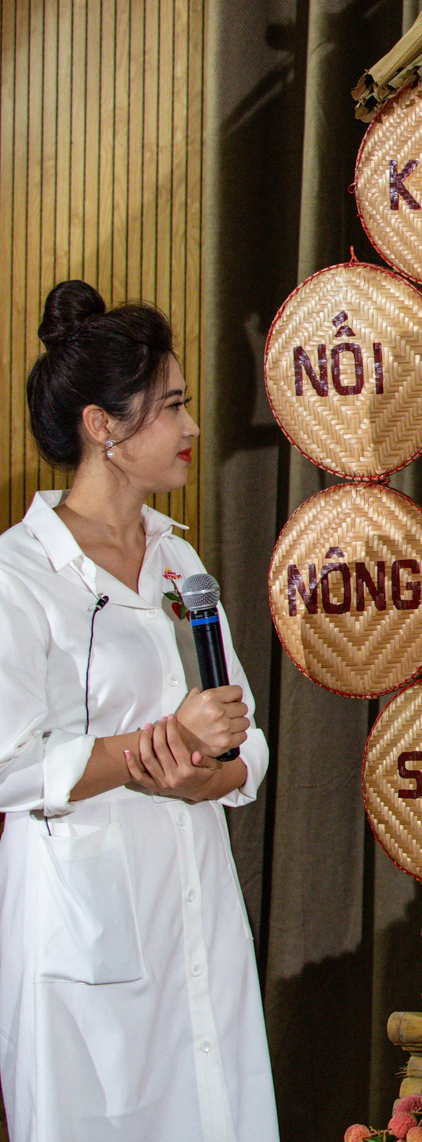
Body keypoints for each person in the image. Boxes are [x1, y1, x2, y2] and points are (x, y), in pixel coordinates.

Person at [0, 282, 278, 1140]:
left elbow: (243, 730)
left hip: (195, 899)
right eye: (173, 408)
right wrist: (157, 748)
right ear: (103, 427)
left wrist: (217, 774)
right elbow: (10, 764)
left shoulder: (178, 558)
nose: (193, 429)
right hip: (82, 927)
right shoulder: (20, 576)